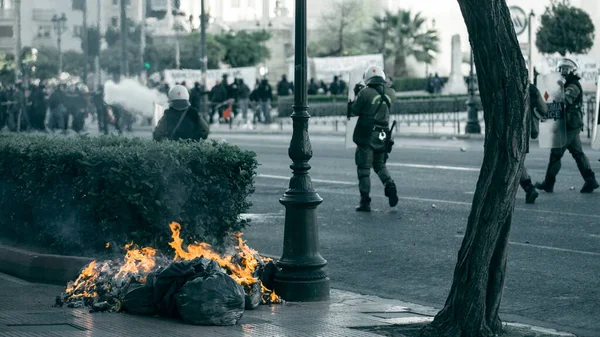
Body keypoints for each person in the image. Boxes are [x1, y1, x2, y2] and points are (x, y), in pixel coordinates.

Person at [535, 58, 599, 193]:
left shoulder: (573, 85)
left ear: (570, 70)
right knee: (578, 153)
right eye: (560, 69)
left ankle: (549, 183)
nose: (561, 72)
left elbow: (566, 100)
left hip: (570, 125)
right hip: (568, 124)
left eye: (563, 69)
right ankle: (590, 180)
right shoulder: (566, 84)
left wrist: (556, 90)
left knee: (556, 153)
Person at [348, 66, 398, 212]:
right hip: (384, 134)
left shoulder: (365, 93)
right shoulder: (391, 92)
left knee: (364, 169)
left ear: (368, 78)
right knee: (380, 164)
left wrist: (357, 94)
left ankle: (365, 201)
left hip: (368, 134)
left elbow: (354, 110)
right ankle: (390, 184)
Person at [520, 84, 548, 204]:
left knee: (513, 161)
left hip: (509, 130)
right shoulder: (531, 88)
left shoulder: (504, 84)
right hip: (526, 130)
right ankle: (529, 188)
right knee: (516, 160)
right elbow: (544, 109)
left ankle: (529, 188)